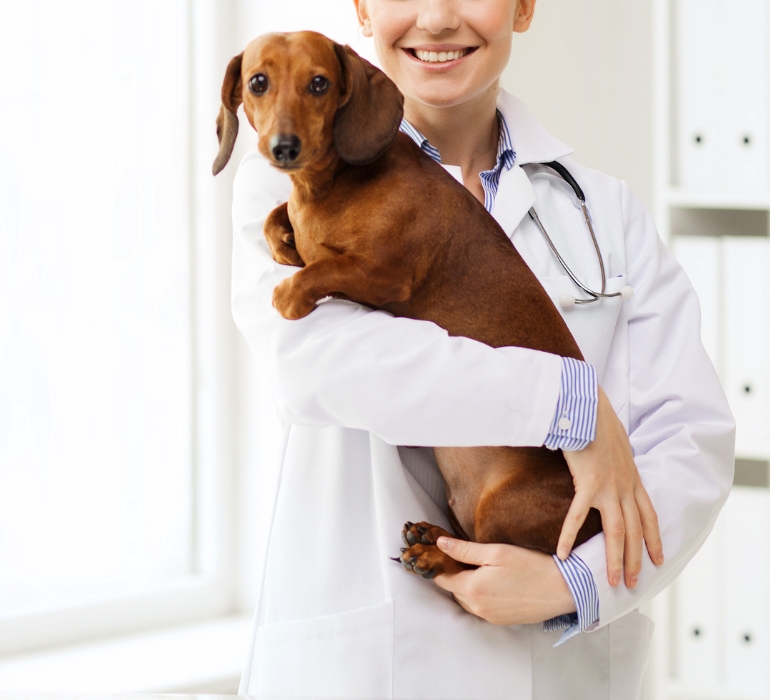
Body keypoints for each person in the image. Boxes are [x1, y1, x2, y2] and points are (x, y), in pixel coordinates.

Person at [229, 0, 735, 697]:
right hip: (371, 664)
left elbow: (692, 440)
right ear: (362, 10)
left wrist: (573, 582)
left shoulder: (603, 211)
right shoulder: (288, 174)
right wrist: (568, 403)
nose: (437, 19)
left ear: (525, 7)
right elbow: (322, 367)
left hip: (561, 663)